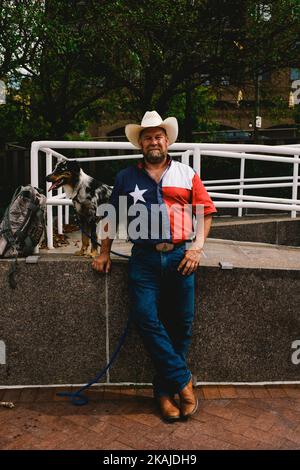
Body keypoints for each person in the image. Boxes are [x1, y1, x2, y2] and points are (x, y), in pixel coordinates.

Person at [92, 111, 217, 422]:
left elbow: (206, 211)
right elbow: (110, 217)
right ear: (140, 144)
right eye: (147, 137)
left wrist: (198, 247)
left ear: (167, 140)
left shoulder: (186, 174)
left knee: (182, 324)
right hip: (144, 258)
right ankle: (183, 382)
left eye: (158, 136)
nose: (153, 141)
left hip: (179, 257)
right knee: (146, 318)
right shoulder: (125, 178)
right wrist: (104, 252)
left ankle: (163, 393)